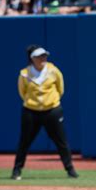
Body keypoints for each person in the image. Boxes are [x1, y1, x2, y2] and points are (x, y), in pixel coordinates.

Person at [11, 45, 79, 180]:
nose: (43, 58)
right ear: (32, 58)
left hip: (52, 110)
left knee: (61, 141)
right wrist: (33, 103)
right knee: (24, 142)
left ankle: (70, 169)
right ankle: (17, 170)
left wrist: (51, 102)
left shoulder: (53, 71)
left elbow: (60, 89)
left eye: (44, 56)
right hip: (31, 111)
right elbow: (22, 92)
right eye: (39, 56)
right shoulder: (24, 74)